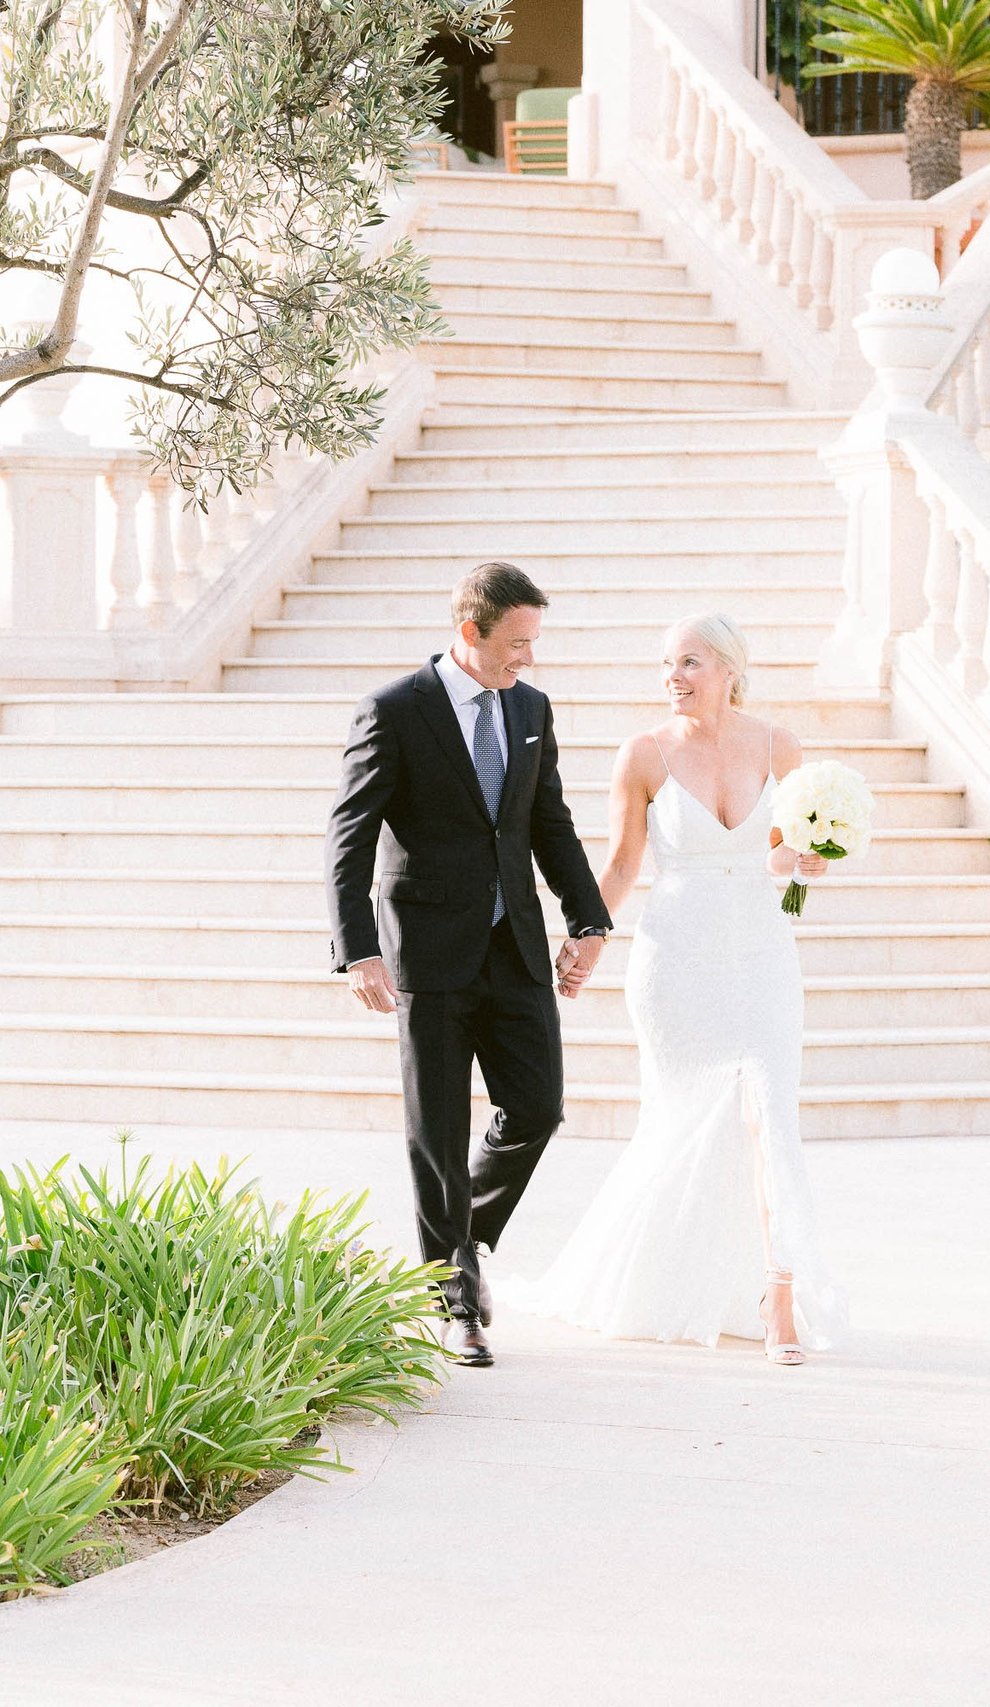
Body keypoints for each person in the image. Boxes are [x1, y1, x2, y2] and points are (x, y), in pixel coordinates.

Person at [514, 615, 845, 1364]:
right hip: (677, 959)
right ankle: (667, 1272)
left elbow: (781, 856)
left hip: (761, 953)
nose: (673, 675)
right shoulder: (643, 755)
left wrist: (807, 861)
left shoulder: (778, 746)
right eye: (666, 662)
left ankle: (780, 1299)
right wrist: (587, 939)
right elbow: (625, 864)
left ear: (728, 667)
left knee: (772, 1115)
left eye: (690, 661)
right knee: (679, 1119)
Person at [324, 562, 612, 1368]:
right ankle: (457, 1300)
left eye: (533, 643)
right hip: (428, 952)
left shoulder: (529, 707)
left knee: (539, 1105)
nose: (527, 658)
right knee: (439, 1130)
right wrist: (359, 950)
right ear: (470, 631)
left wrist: (587, 917)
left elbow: (547, 819)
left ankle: (460, 1245)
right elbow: (348, 838)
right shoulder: (393, 710)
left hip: (514, 945)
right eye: (516, 643)